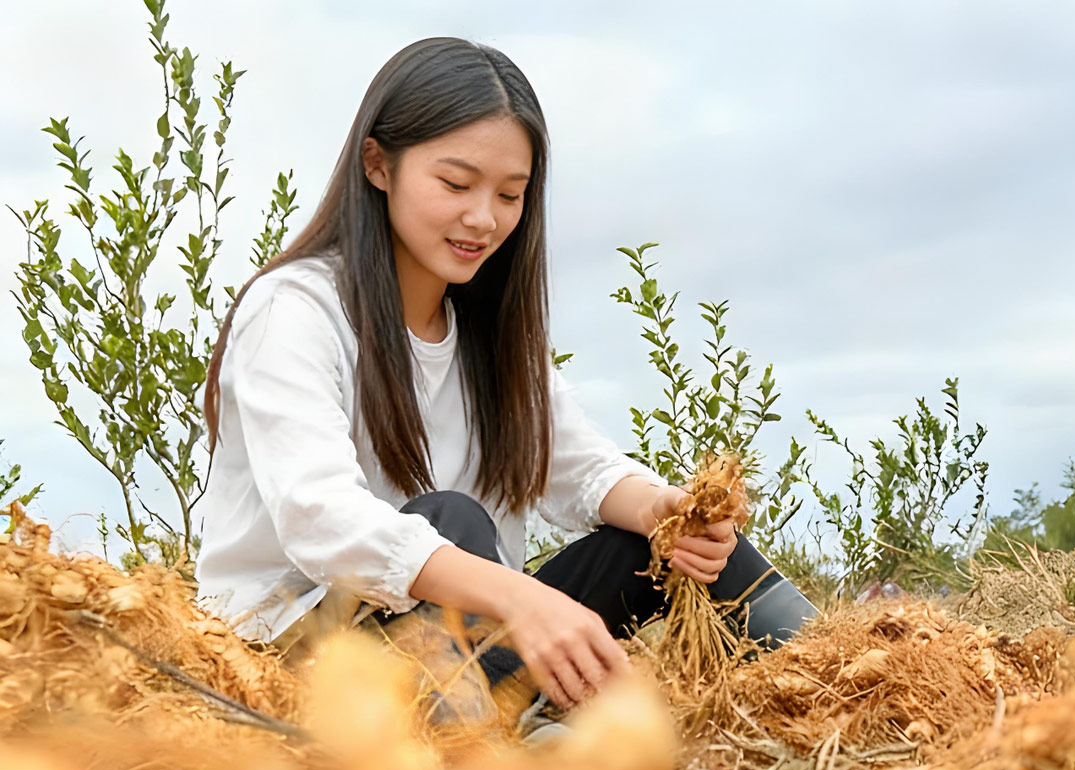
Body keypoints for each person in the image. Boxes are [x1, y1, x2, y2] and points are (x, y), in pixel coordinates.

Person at [197, 38, 813, 722]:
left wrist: (663, 511)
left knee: (660, 545)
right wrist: (520, 597)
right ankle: (499, 746)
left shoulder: (489, 334)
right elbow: (321, 521)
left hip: (464, 651)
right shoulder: (296, 309)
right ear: (379, 164)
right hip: (299, 663)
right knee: (451, 519)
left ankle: (852, 678)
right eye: (456, 185)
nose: (484, 218)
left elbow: (581, 470)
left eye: (510, 194)